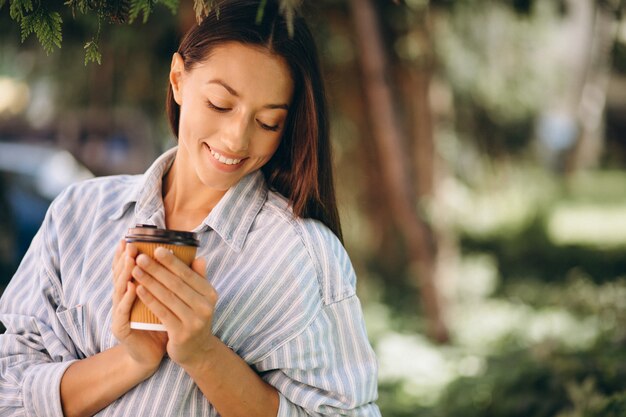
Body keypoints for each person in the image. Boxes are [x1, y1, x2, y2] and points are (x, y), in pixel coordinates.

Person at [0, 0, 381, 416]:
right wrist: (132, 359)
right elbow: (9, 386)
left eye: (268, 122)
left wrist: (203, 354)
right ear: (179, 79)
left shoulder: (302, 258)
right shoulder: (78, 214)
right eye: (220, 104)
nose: (236, 139)